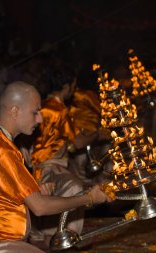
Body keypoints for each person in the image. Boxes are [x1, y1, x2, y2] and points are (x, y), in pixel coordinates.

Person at [0, 81, 112, 253]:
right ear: (15, 111)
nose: (40, 119)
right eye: (35, 112)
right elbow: (39, 207)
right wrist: (88, 198)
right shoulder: (0, 149)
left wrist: (32, 193)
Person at [27, 68, 101, 246]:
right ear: (67, 86)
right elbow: (79, 143)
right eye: (73, 86)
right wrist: (96, 134)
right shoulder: (59, 110)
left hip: (38, 169)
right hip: (48, 169)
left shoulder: (41, 106)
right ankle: (62, 239)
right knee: (74, 188)